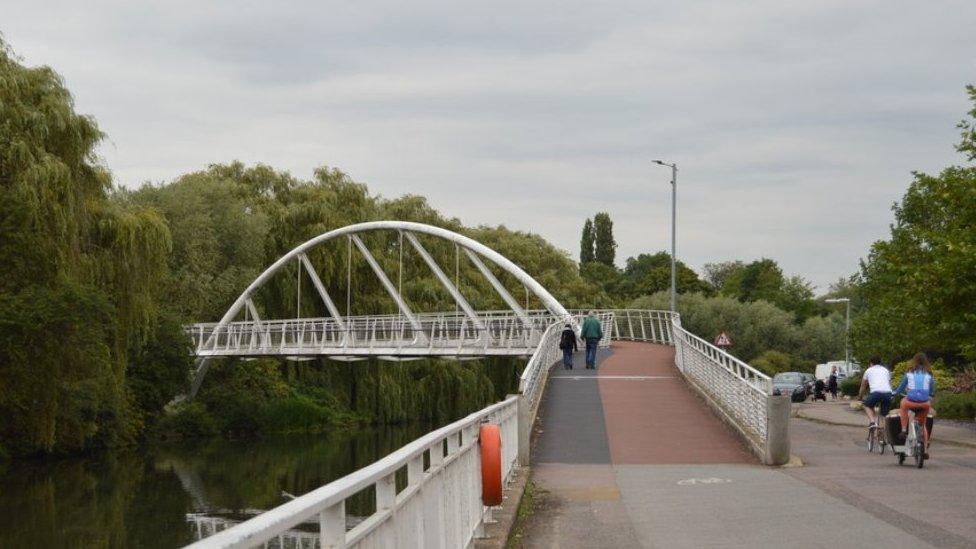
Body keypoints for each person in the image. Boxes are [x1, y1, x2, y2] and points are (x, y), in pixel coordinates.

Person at [892, 352, 936, 456]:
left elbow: (900, 388)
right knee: (922, 424)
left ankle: (903, 429)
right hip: (924, 404)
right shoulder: (929, 375)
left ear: (914, 361)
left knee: (903, 404)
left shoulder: (909, 374)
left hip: (910, 402)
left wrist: (894, 393)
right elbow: (932, 390)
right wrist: (930, 394)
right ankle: (925, 450)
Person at [858, 356, 892, 428]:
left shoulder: (868, 370)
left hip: (876, 393)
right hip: (888, 393)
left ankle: (872, 422)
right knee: (883, 415)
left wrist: (860, 396)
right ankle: (881, 435)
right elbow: (889, 384)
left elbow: (863, 386)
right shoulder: (886, 370)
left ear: (871, 363)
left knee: (866, 405)